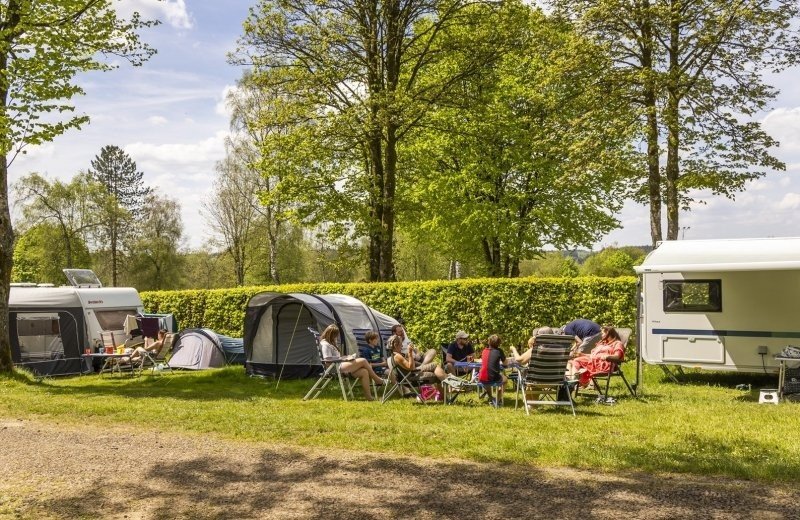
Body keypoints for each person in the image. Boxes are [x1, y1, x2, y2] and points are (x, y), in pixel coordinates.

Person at [319, 324, 385, 401]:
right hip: (335, 367)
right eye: (335, 335)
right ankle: (377, 380)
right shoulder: (325, 345)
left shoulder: (331, 343)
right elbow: (327, 360)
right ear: (330, 335)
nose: (336, 337)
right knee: (363, 360)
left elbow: (335, 357)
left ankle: (369, 397)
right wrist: (343, 359)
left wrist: (345, 357)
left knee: (364, 371)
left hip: (339, 364)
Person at [387, 334, 446, 398]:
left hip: (409, 376)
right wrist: (410, 352)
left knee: (436, 368)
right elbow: (411, 368)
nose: (402, 345)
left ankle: (447, 390)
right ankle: (451, 385)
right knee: (436, 371)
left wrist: (409, 358)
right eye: (401, 344)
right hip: (411, 378)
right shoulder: (397, 356)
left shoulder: (393, 356)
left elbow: (410, 366)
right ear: (396, 345)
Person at [478, 334, 507, 402]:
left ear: (489, 342)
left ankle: (490, 397)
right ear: (499, 343)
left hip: (481, 377)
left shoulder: (484, 351)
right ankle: (497, 399)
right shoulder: (499, 351)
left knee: (487, 380)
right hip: (493, 377)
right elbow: (505, 363)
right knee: (505, 380)